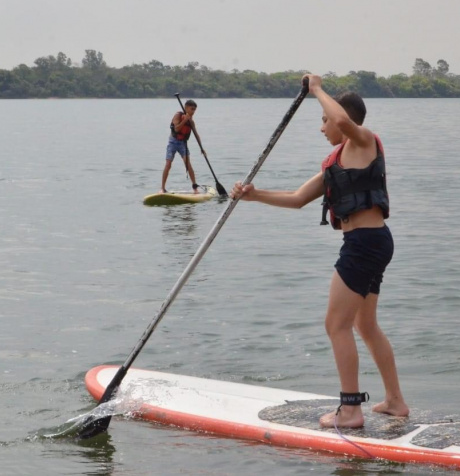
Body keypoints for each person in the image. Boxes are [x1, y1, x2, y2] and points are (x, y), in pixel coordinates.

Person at [231, 74, 409, 429]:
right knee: (365, 324)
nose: (323, 127)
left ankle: (350, 410)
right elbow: (297, 199)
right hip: (371, 243)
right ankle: (395, 401)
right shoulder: (337, 161)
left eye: (324, 120)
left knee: (336, 325)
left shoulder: (364, 140)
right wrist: (254, 194)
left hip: (364, 245)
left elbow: (343, 120)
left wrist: (316, 89)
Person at [161, 100, 200, 194]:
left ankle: (195, 187)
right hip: (173, 142)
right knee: (168, 163)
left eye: (195, 110)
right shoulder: (178, 116)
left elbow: (196, 134)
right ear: (186, 108)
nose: (193, 112)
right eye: (192, 109)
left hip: (183, 143)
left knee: (188, 164)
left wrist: (202, 148)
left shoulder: (191, 122)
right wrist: (185, 120)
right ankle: (162, 188)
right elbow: (177, 129)